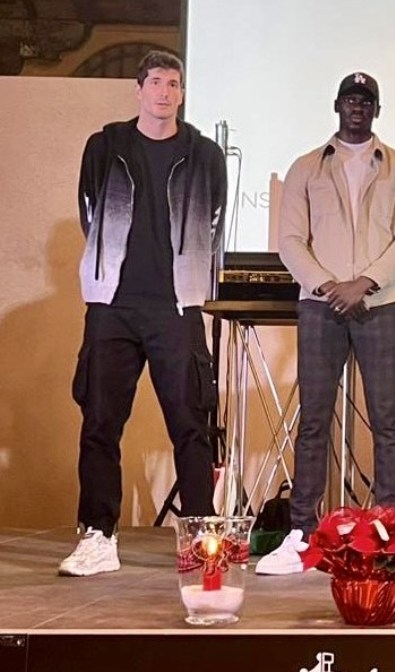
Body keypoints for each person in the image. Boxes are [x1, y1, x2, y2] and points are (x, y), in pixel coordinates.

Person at [61, 50, 226, 576]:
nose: (164, 92)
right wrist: (111, 268)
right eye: (156, 82)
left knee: (191, 424)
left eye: (173, 84)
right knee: (100, 422)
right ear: (139, 89)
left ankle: (200, 539)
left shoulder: (203, 153)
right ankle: (98, 535)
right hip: (113, 305)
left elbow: (214, 220)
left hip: (175, 307)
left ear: (182, 93)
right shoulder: (106, 146)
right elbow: (90, 210)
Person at [256, 72, 395, 575]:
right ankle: (302, 534)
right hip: (320, 305)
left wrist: (364, 283)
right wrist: (330, 286)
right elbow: (290, 240)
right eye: (350, 99)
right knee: (313, 418)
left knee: (386, 418)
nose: (357, 107)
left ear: (377, 110)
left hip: (381, 304)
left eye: (366, 101)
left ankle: (390, 530)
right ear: (336, 105)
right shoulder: (306, 167)